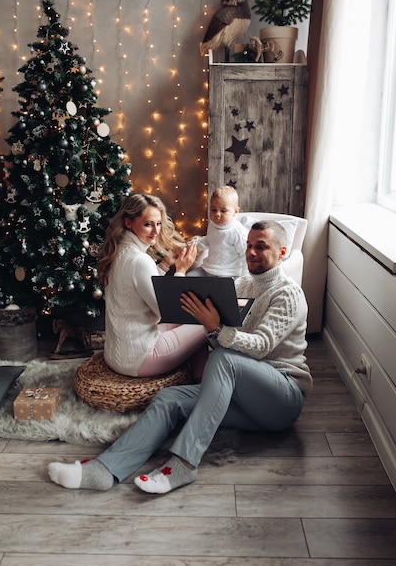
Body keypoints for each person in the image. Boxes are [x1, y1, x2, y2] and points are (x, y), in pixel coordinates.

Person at [48, 219, 312, 495]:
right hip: (243, 398)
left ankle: (184, 462)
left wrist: (214, 327)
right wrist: (204, 321)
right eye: (248, 245)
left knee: (224, 360)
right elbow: (221, 338)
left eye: (261, 246)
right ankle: (105, 470)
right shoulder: (242, 285)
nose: (251, 252)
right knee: (168, 399)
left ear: (282, 252)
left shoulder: (288, 294)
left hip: (282, 399)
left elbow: (260, 346)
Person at [96, 192, 208, 377]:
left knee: (192, 318)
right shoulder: (139, 260)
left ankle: (198, 379)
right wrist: (181, 270)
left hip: (117, 354)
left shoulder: (120, 251)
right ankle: (201, 383)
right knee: (207, 323)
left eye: (158, 223)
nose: (156, 231)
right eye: (148, 224)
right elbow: (168, 311)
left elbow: (143, 285)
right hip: (140, 358)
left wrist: (165, 265)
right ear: (128, 223)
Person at [188, 185, 248, 278]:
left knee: (219, 290)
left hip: (228, 273)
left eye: (223, 211)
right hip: (208, 269)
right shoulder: (212, 225)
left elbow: (245, 255)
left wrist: (244, 278)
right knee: (190, 277)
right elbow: (208, 240)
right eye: (213, 210)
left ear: (235, 211)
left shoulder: (237, 231)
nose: (217, 214)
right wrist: (195, 246)